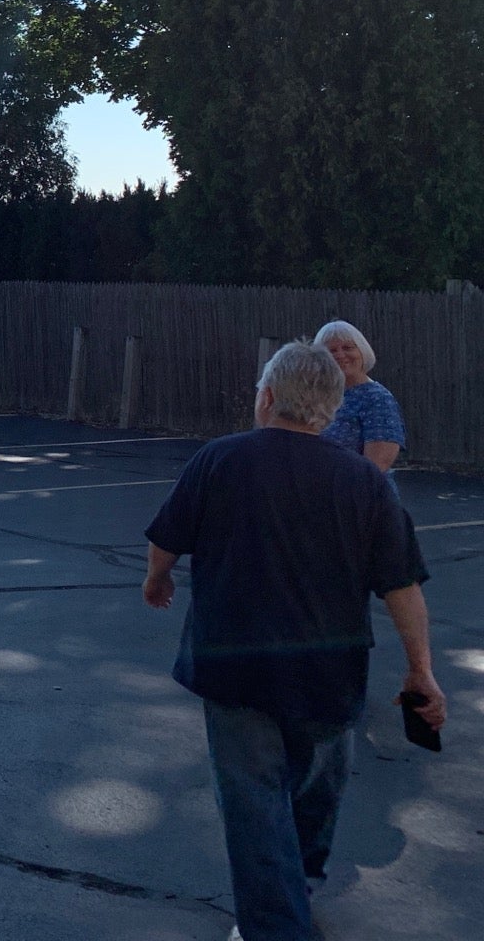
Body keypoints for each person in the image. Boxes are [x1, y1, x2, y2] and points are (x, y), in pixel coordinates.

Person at [143, 341, 445, 941]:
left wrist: (157, 579)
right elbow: (401, 586)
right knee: (315, 790)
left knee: (254, 804)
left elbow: (166, 540)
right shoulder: (366, 483)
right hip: (329, 672)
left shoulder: (219, 460)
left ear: (268, 397)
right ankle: (295, 891)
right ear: (331, 411)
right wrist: (421, 671)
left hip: (235, 668)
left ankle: (278, 920)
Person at [313, 320, 404, 474]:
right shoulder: (316, 396)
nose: (340, 355)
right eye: (332, 351)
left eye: (347, 348)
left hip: (358, 492)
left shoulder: (377, 399)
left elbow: (377, 466)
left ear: (362, 351)